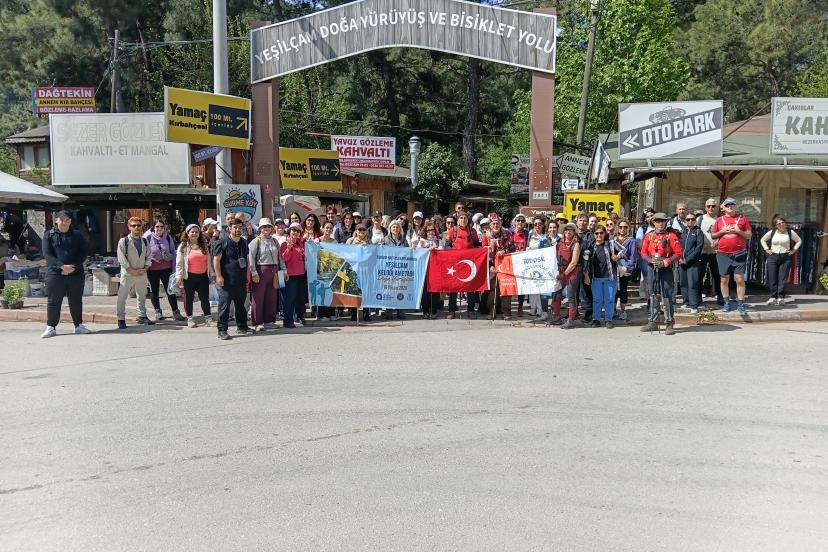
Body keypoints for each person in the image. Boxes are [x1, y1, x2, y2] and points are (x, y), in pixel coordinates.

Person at [40, 211, 90, 338]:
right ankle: (51, 327)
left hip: (75, 273)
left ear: (70, 221)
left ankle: (78, 325)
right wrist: (61, 266)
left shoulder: (77, 235)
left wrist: (73, 267)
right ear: (56, 220)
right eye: (62, 220)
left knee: (76, 301)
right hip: (55, 274)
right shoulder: (48, 235)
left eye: (67, 220)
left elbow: (83, 253)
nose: (64, 222)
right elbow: (47, 254)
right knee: (53, 301)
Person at [640, 212, 683, 335]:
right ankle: (652, 322)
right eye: (657, 221)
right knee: (653, 293)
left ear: (665, 222)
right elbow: (643, 253)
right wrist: (650, 261)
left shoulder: (671, 235)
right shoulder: (649, 236)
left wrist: (667, 261)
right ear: (653, 222)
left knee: (667, 294)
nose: (660, 223)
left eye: (662, 221)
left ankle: (669, 322)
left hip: (666, 268)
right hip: (652, 267)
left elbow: (678, 253)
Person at [711, 197, 752, 315]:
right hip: (723, 253)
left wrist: (739, 231)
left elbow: (749, 235)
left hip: (739, 253)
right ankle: (726, 303)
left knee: (739, 279)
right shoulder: (719, 220)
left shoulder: (742, 218)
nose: (730, 206)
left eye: (732, 204)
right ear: (724, 207)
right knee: (724, 279)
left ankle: (740, 304)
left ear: (735, 206)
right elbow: (713, 236)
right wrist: (722, 231)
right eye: (728, 204)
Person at [213, 218, 251, 340]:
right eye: (235, 227)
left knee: (241, 305)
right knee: (224, 306)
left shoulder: (244, 243)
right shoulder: (222, 242)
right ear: (229, 228)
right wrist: (218, 276)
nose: (238, 230)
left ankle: (242, 326)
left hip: (240, 279)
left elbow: (247, 259)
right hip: (226, 280)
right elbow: (216, 260)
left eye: (240, 227)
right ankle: (222, 330)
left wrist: (248, 274)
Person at [248, 218, 286, 332]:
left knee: (272, 297)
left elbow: (280, 257)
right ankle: (258, 322)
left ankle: (269, 321)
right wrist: (254, 272)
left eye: (269, 226)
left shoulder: (275, 241)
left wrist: (284, 270)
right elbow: (251, 258)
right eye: (264, 227)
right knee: (258, 298)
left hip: (274, 270)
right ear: (260, 228)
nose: (267, 229)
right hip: (261, 270)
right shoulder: (256, 241)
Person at [116, 217, 153, 330]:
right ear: (129, 227)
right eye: (133, 225)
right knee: (122, 297)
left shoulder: (145, 241)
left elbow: (149, 256)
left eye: (138, 225)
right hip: (128, 274)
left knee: (142, 296)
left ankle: (142, 315)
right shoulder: (124, 241)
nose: (136, 227)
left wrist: (145, 268)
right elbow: (122, 259)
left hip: (141, 273)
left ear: (141, 227)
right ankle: (121, 319)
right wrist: (132, 271)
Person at [583, 225, 624, 329]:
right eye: (596, 233)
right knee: (597, 299)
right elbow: (586, 262)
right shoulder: (591, 247)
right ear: (594, 235)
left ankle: (608, 319)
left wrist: (617, 256)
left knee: (609, 299)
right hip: (596, 278)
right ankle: (596, 319)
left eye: (601, 233)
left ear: (605, 233)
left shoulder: (611, 243)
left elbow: (624, 249)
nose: (599, 235)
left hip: (610, 277)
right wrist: (586, 275)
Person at [442, 212, 481, 319]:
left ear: (468, 220)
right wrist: (455, 253)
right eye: (461, 218)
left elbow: (478, 246)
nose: (463, 220)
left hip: (469, 264)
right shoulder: (452, 231)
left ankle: (471, 310)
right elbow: (446, 246)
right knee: (453, 287)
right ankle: (451, 310)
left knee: (470, 288)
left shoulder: (472, 232)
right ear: (458, 220)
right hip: (455, 264)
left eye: (465, 218)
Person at [144, 220, 184, 322]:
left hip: (166, 268)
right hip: (152, 269)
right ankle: (157, 311)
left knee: (170, 290)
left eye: (162, 226)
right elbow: (144, 253)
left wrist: (173, 264)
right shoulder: (147, 237)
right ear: (153, 227)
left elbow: (173, 252)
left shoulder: (167, 237)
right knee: (154, 291)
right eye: (157, 226)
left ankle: (176, 311)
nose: (159, 229)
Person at [175, 224, 213, 328]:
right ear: (187, 233)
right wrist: (179, 275)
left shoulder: (204, 245)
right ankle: (190, 318)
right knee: (189, 298)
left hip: (203, 276)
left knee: (205, 298)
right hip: (189, 277)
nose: (194, 234)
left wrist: (211, 273)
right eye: (192, 232)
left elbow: (209, 261)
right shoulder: (183, 247)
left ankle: (208, 318)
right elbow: (179, 263)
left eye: (196, 232)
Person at [761, 216, 801, 305]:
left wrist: (794, 250)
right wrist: (766, 249)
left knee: (782, 278)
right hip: (773, 256)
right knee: (772, 277)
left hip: (785, 257)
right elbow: (763, 240)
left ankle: (780, 297)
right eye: (779, 223)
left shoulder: (790, 232)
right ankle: (772, 297)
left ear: (785, 223)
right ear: (776, 225)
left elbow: (799, 240)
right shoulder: (772, 232)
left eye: (782, 222)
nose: (781, 224)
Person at [482, 214, 514, 320]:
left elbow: (513, 247)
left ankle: (507, 313)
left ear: (500, 224)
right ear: (490, 225)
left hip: (506, 264)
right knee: (493, 289)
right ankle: (492, 311)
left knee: (506, 287)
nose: (496, 225)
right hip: (492, 265)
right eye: (493, 224)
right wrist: (490, 265)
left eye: (497, 223)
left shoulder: (507, 234)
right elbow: (484, 253)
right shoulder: (486, 236)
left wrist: (505, 251)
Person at [554, 223, 582, 329]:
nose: (568, 232)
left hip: (572, 273)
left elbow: (574, 262)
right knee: (556, 294)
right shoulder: (559, 243)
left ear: (574, 232)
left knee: (571, 296)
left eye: (570, 230)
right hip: (560, 271)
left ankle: (571, 320)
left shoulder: (576, 244)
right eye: (566, 230)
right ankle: (556, 317)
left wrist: (564, 274)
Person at [526, 216, 554, 320]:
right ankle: (532, 308)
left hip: (541, 265)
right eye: (535, 224)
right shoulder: (529, 235)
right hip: (530, 264)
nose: (537, 226)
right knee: (531, 287)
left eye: (539, 224)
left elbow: (549, 251)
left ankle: (540, 309)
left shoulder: (546, 237)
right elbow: (526, 247)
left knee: (539, 288)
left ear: (543, 225)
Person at [698, 199, 724, 305]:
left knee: (717, 274)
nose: (711, 208)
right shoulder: (700, 219)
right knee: (700, 274)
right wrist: (703, 245)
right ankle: (698, 296)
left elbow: (722, 235)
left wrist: (715, 245)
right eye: (708, 206)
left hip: (715, 251)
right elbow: (697, 233)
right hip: (702, 251)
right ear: (705, 207)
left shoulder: (719, 220)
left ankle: (720, 295)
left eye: (713, 206)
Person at [280, 222, 306, 328]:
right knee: (289, 299)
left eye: (297, 231)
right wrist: (289, 248)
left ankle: (297, 318)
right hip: (289, 276)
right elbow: (284, 259)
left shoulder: (300, 244)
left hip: (300, 275)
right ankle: (287, 321)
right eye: (293, 230)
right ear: (289, 231)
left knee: (298, 298)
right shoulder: (284, 244)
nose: (295, 232)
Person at [382, 220, 409, 320]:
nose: (395, 229)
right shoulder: (385, 240)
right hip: (389, 269)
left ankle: (400, 311)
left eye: (397, 227)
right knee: (389, 290)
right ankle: (389, 312)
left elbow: (408, 252)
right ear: (390, 229)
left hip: (400, 269)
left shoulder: (404, 240)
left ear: (400, 229)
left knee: (400, 289)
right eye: (393, 227)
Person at [413, 223, 442, 319]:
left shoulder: (439, 241)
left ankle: (434, 310)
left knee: (435, 290)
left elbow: (443, 252)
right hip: (424, 269)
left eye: (432, 230)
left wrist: (436, 249)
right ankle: (425, 310)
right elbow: (416, 251)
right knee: (425, 290)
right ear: (425, 232)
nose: (430, 232)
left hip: (436, 269)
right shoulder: (421, 241)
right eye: (428, 230)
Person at [678, 211, 704, 314]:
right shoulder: (682, 232)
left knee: (692, 283)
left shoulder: (698, 232)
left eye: (692, 219)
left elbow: (698, 248)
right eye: (688, 219)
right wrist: (679, 258)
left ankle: (694, 305)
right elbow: (678, 246)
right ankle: (686, 301)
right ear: (685, 221)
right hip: (681, 262)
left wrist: (687, 259)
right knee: (683, 283)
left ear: (695, 221)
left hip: (693, 262)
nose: (690, 221)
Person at [345, 223, 372, 321]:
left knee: (365, 292)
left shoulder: (369, 242)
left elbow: (373, 255)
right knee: (353, 292)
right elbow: (345, 253)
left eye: (363, 230)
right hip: (353, 270)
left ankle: (366, 313)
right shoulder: (350, 241)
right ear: (356, 231)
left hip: (365, 271)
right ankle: (353, 313)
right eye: (359, 230)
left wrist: (367, 247)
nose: (361, 232)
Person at [613, 218, 638, 321]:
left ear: (629, 229)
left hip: (624, 269)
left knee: (623, 289)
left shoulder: (632, 241)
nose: (623, 229)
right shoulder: (613, 239)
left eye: (625, 227)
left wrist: (629, 270)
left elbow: (633, 256)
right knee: (614, 290)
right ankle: (613, 310)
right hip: (614, 268)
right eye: (621, 227)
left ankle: (623, 311)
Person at [511, 214, 529, 317]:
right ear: (515, 222)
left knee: (521, 287)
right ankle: (507, 307)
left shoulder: (527, 233)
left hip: (523, 263)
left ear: (525, 223)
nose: (520, 223)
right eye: (518, 220)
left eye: (522, 221)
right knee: (510, 284)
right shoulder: (509, 233)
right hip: (512, 262)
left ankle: (520, 306)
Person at [636, 208, 655, 300]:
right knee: (646, 277)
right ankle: (648, 298)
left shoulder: (660, 227)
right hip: (645, 257)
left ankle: (654, 296)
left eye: (652, 215)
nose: (650, 218)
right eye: (648, 216)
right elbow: (639, 243)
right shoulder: (642, 229)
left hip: (657, 257)